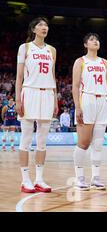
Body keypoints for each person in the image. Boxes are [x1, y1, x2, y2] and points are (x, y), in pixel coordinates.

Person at [16, 17, 58, 193]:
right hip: (30, 91)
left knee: (42, 141)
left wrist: (55, 99)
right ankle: (25, 179)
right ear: (33, 29)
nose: (44, 27)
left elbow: (53, 76)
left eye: (46, 25)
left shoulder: (52, 50)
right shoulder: (25, 48)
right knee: (26, 139)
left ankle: (39, 179)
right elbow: (19, 76)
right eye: (40, 25)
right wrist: (18, 99)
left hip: (47, 93)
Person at [72, 33, 107, 190]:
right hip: (87, 99)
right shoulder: (80, 61)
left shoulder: (104, 62)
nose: (96, 41)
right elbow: (75, 86)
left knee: (98, 143)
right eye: (92, 39)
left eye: (97, 39)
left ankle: (96, 177)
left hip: (102, 100)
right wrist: (77, 106)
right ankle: (79, 177)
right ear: (85, 44)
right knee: (83, 142)